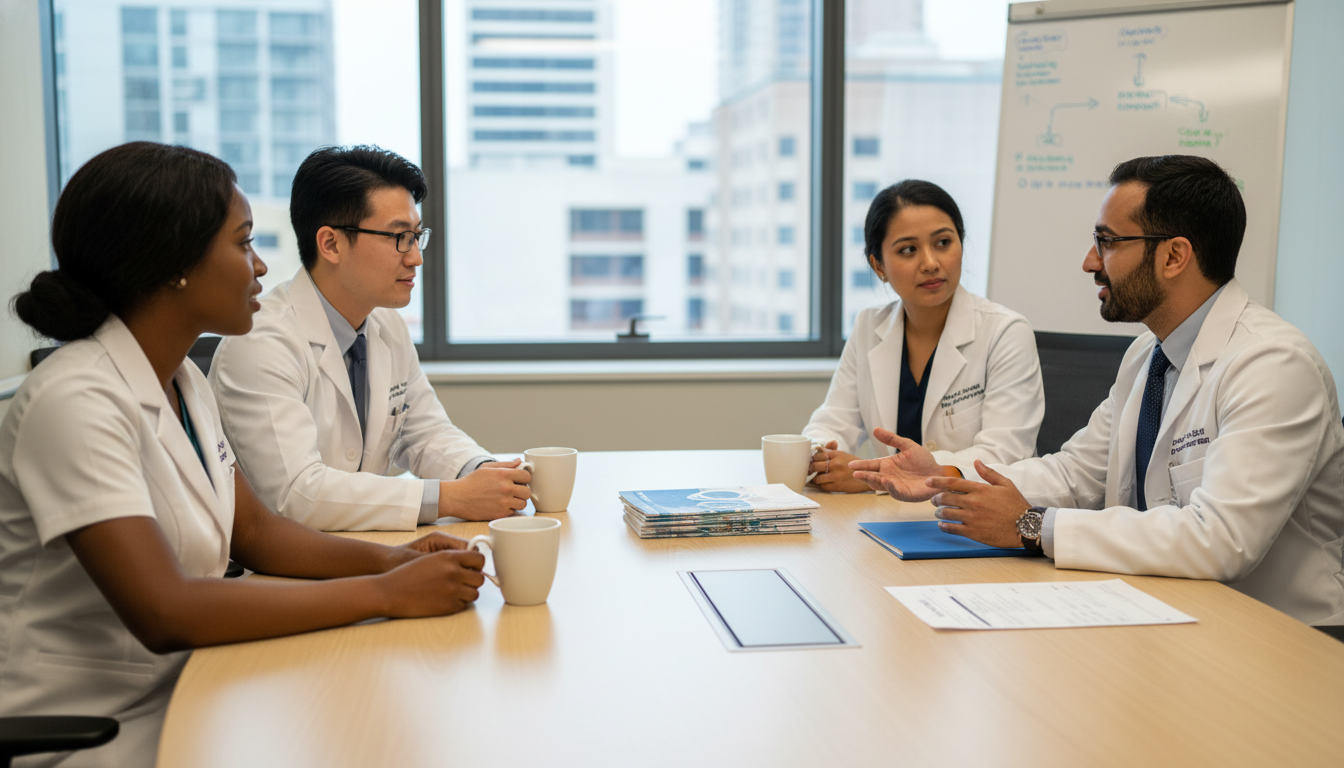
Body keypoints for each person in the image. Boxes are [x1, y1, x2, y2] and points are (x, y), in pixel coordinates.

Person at [0, 142, 487, 768]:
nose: (259, 267)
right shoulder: (73, 399)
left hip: (196, 683)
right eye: (241, 244)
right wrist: (385, 592)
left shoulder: (181, 381)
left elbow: (255, 531)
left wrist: (393, 561)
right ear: (173, 261)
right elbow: (164, 609)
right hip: (95, 729)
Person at [851, 155, 1344, 626]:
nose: (1090, 262)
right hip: (1172, 607)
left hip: (1282, 636)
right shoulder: (1148, 356)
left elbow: (1220, 539)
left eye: (1107, 242)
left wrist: (1034, 526)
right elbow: (1075, 473)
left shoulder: (1273, 366)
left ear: (1174, 255)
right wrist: (944, 475)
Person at [210, 145, 530, 531]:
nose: (415, 258)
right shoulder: (261, 345)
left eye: (416, 236)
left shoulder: (385, 324)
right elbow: (296, 495)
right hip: (277, 576)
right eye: (399, 237)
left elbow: (426, 433)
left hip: (364, 552)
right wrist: (450, 497)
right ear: (330, 244)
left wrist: (486, 473)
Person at [803, 180, 1045, 492]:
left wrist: (881, 476)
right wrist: (819, 455)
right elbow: (832, 423)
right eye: (908, 250)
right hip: (892, 518)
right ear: (878, 266)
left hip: (976, 517)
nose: (931, 263)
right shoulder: (868, 327)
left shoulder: (1005, 332)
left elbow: (1003, 455)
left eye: (943, 243)